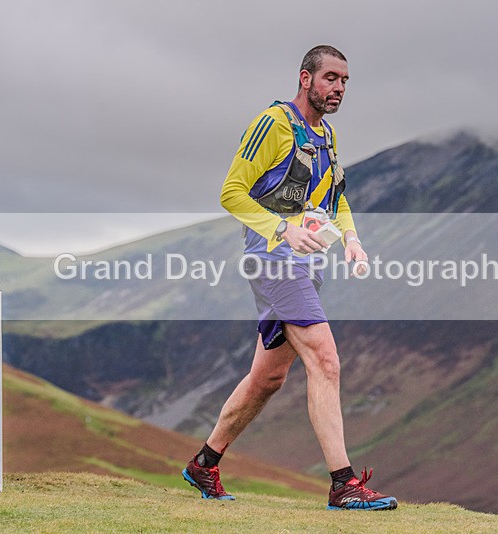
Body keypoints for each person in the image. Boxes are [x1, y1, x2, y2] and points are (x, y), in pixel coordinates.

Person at [183, 45, 397, 511]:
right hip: (273, 259)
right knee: (325, 359)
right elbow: (231, 193)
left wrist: (351, 240)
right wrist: (283, 228)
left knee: (268, 378)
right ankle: (343, 484)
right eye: (331, 78)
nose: (339, 88)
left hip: (305, 263)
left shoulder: (327, 135)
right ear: (306, 78)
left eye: (344, 81)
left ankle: (205, 462)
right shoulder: (273, 124)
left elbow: (335, 197)